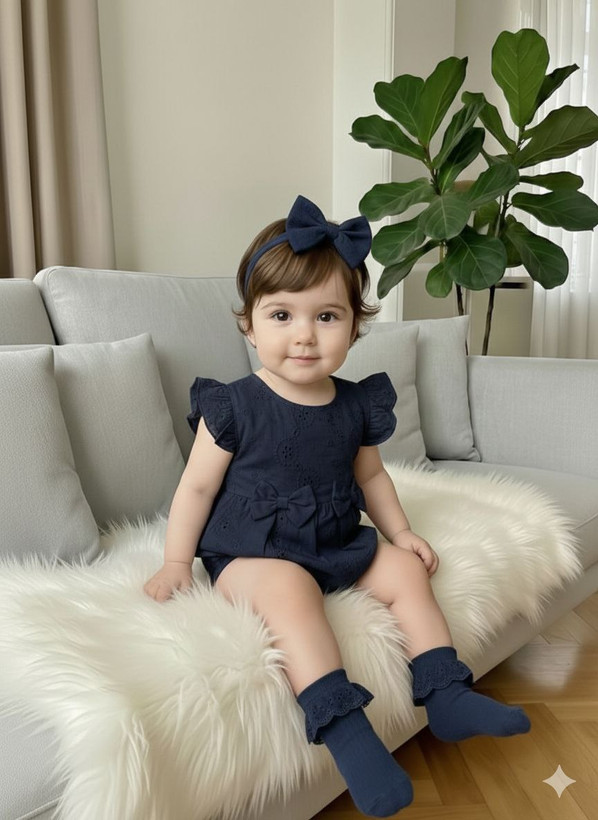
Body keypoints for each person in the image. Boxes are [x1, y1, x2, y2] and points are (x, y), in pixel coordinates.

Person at [144, 195, 531, 817]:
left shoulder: (355, 404)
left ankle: (446, 692)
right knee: (289, 590)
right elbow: (195, 489)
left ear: (355, 327)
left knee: (404, 571)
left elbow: (372, 477)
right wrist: (174, 562)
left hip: (335, 538)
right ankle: (348, 735)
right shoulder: (233, 406)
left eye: (326, 316)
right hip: (252, 550)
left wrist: (400, 533)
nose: (304, 334)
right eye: (281, 315)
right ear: (249, 326)